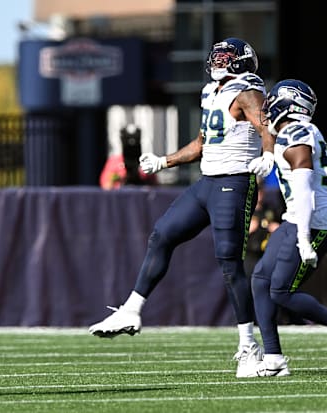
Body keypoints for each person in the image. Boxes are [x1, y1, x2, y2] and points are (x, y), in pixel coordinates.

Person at [89, 37, 276, 377]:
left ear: (242, 62)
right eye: (217, 55)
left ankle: (249, 348)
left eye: (226, 56)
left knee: (229, 262)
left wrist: (268, 155)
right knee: (162, 234)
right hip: (207, 183)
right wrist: (164, 161)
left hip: (234, 183)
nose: (219, 60)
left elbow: (266, 127)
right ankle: (132, 309)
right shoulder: (211, 92)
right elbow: (203, 143)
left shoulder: (249, 90)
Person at [248, 79, 327, 377]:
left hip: (315, 221)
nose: (268, 106)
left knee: (281, 291)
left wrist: (304, 239)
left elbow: (303, 189)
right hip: (299, 216)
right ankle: (274, 358)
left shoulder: (296, 134)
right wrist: (267, 156)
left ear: (289, 104)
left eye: (274, 100)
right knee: (260, 278)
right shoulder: (292, 132)